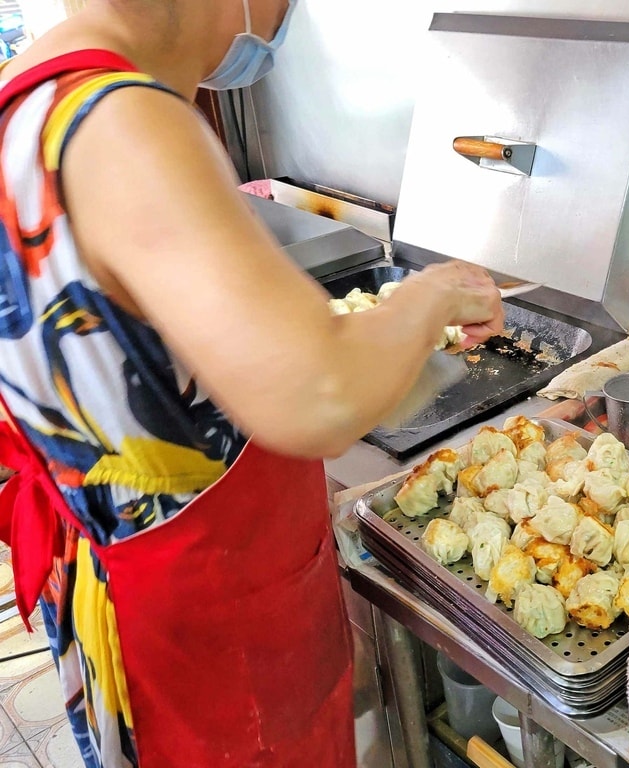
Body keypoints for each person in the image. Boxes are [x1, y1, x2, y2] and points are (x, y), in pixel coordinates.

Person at [0, 1, 504, 766]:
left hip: (115, 588)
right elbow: (321, 394)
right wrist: (429, 295)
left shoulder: (24, 94)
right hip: (212, 631)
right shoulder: (128, 118)